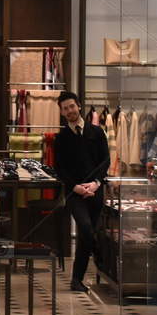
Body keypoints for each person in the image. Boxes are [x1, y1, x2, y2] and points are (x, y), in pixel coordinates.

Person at [53, 90, 109, 293]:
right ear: (61, 112)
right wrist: (75, 186)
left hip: (95, 191)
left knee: (86, 235)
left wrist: (96, 182)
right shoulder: (61, 138)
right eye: (65, 108)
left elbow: (106, 161)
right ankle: (100, 254)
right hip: (74, 193)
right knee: (86, 228)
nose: (69, 111)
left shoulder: (97, 132)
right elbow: (59, 168)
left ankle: (76, 280)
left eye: (71, 106)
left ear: (79, 106)